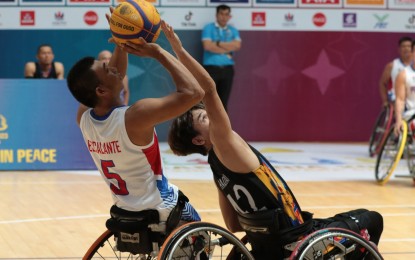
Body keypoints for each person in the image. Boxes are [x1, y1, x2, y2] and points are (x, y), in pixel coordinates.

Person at [165, 22, 383, 259]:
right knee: (371, 218)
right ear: (198, 140)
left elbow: (233, 225)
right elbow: (209, 88)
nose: (212, 117)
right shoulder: (227, 145)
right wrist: (178, 49)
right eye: (204, 118)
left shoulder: (217, 170)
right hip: (296, 239)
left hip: (266, 247)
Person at [66, 17, 205, 236]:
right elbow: (194, 93)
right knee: (204, 236)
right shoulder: (135, 116)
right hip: (161, 208)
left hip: (124, 210)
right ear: (101, 91)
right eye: (107, 69)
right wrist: (159, 53)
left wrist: (122, 42)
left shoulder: (84, 118)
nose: (113, 68)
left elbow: (114, 75)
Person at [201, 4, 241, 111]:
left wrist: (217, 43)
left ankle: (222, 128)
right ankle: (207, 127)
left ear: (229, 16)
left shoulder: (233, 30)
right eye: (221, 14)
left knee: (223, 102)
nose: (224, 17)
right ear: (216, 15)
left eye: (226, 14)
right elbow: (207, 46)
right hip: (211, 68)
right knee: (208, 101)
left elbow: (237, 45)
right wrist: (227, 48)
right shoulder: (208, 28)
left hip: (227, 69)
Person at [379, 36, 412, 105]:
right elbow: (382, 83)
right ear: (399, 49)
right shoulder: (392, 65)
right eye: (403, 46)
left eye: (409, 46)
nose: (406, 48)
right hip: (397, 102)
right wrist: (385, 101)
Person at [394, 40, 415, 136]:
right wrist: (398, 120)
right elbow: (400, 99)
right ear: (412, 54)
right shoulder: (404, 74)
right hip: (412, 114)